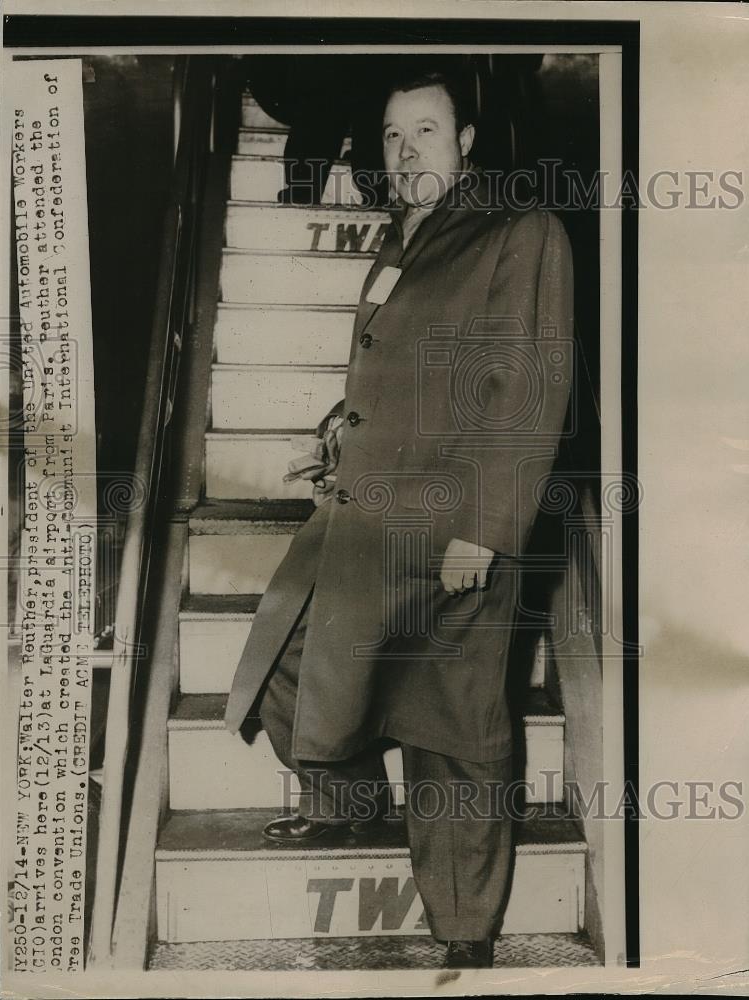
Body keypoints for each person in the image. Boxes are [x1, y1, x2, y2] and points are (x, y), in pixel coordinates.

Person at [225, 68, 574, 969]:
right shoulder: (402, 239)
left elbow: (525, 390)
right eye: (391, 135)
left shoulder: (515, 230)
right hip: (369, 518)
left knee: (451, 732)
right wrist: (337, 436)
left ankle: (464, 927)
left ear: (465, 143)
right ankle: (346, 806)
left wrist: (486, 530)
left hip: (453, 528)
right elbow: (393, 379)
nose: (406, 149)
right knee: (286, 666)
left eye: (425, 130)